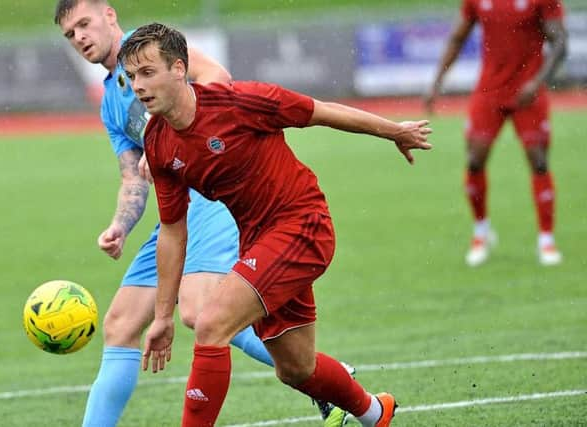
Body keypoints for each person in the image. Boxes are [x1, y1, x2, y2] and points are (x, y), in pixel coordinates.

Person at [118, 22, 432, 427]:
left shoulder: (239, 102)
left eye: (148, 73)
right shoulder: (158, 143)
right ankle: (375, 412)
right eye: (132, 77)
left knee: (212, 323)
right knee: (295, 368)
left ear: (179, 69)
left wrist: (394, 131)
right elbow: (173, 231)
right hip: (259, 241)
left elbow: (320, 112)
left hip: (302, 224)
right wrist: (161, 317)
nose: (139, 86)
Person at [54, 1, 349, 426]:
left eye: (84, 24)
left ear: (109, 15)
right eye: (70, 34)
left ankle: (324, 382)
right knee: (120, 323)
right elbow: (132, 178)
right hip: (174, 212)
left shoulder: (153, 48)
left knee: (198, 312)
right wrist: (119, 226)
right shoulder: (111, 103)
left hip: (211, 197)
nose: (80, 37)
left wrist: (169, 137)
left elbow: (217, 78)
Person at [425, 0, 568, 266]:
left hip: (529, 92)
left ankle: (546, 239)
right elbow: (458, 38)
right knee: (474, 160)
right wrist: (436, 83)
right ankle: (482, 232)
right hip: (489, 91)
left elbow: (560, 41)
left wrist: (537, 82)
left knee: (538, 161)